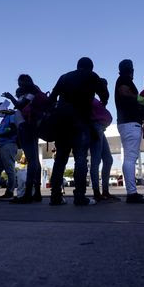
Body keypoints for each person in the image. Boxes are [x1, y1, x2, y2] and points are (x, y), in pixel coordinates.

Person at [48, 57, 109, 206]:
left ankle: (55, 196)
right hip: (80, 122)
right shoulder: (92, 76)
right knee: (80, 159)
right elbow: (104, 97)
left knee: (60, 159)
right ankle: (79, 197)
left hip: (62, 123)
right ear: (91, 67)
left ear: (77, 66)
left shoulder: (64, 77)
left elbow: (52, 99)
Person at [3, 75, 44, 204]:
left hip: (26, 128)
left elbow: (21, 106)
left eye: (20, 84)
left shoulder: (31, 92)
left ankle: (27, 194)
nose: (19, 86)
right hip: (30, 127)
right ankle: (36, 192)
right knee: (35, 161)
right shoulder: (33, 92)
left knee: (32, 161)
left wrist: (10, 98)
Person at [115, 59, 144, 203]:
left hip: (126, 123)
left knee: (130, 157)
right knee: (130, 158)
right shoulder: (124, 79)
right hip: (129, 123)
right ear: (130, 70)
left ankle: (132, 192)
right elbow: (124, 92)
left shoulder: (122, 79)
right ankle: (132, 193)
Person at [89, 80, 119, 202]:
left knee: (108, 159)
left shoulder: (94, 99)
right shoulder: (88, 98)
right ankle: (97, 192)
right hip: (96, 129)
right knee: (96, 161)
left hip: (100, 129)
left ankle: (105, 191)